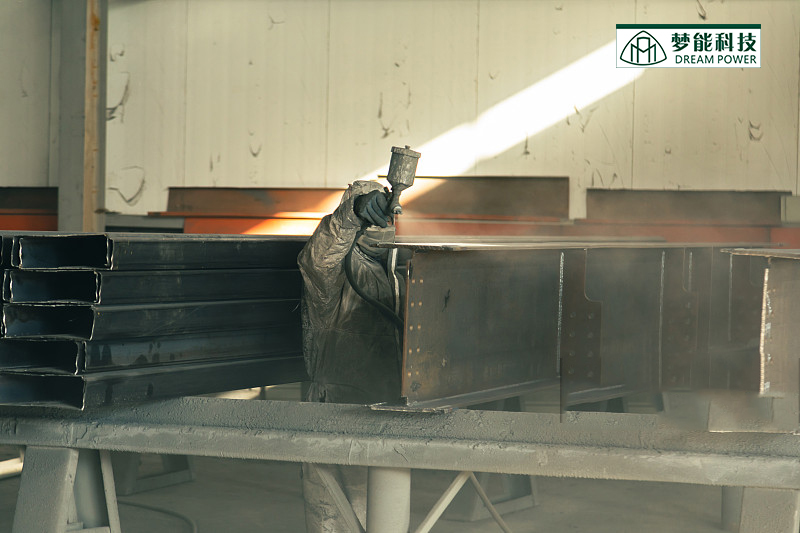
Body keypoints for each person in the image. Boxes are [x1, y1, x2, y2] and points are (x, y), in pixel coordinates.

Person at [297, 179, 406, 532]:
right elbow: (318, 257)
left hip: (387, 413)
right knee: (333, 520)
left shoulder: (397, 273)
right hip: (334, 413)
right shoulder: (336, 273)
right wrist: (353, 212)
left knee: (385, 517)